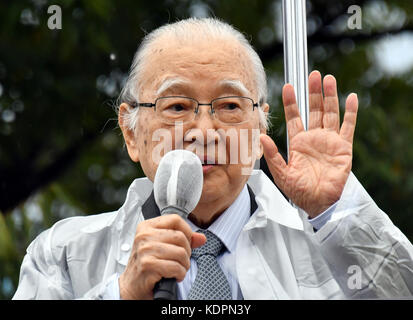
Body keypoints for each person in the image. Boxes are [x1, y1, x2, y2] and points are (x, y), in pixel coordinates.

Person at [13, 18, 413, 300]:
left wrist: (335, 212)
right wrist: (122, 295)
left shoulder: (327, 244)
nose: (204, 131)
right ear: (131, 132)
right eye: (177, 106)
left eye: (228, 105)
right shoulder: (63, 255)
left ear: (260, 131)